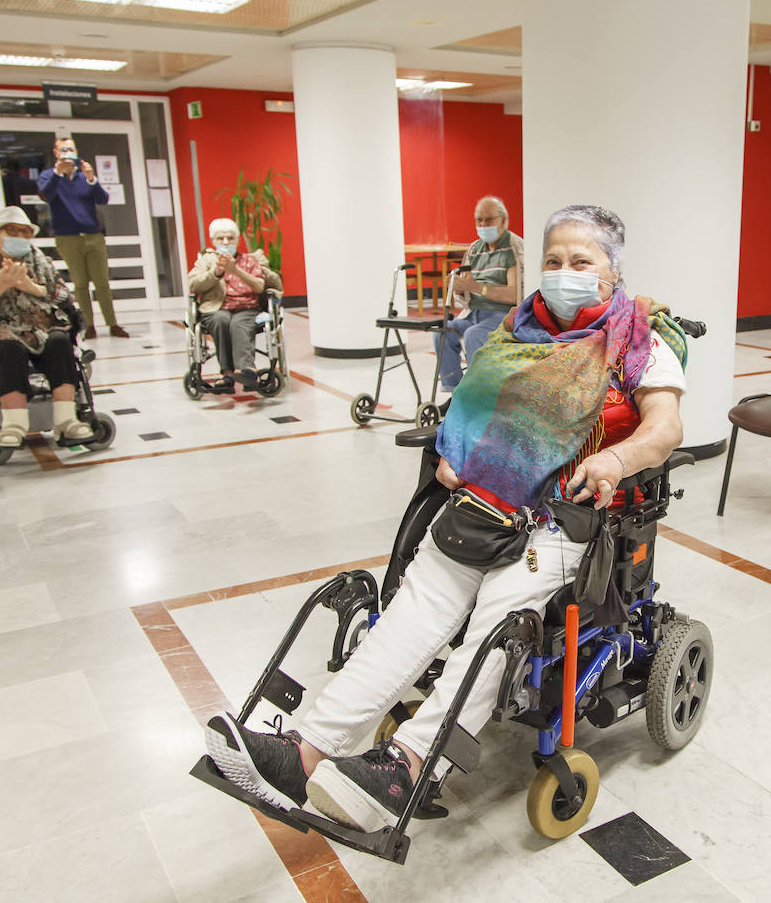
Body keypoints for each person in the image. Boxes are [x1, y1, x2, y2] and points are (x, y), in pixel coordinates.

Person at [203, 204, 688, 832]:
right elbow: (472, 409)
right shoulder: (516, 332)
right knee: (415, 606)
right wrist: (454, 454)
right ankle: (304, 750)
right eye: (552, 260)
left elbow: (665, 428)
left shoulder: (641, 345)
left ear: (611, 272)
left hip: (572, 521)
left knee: (499, 621)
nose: (563, 272)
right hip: (486, 505)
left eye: (580, 261)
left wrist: (617, 458)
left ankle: (409, 763)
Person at [0, 206, 94, 446]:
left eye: (25, 232)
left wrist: (32, 288)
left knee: (60, 342)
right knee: (10, 349)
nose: (20, 237)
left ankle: (66, 420)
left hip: (40, 328)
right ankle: (14, 425)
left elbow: (63, 295)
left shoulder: (39, 259)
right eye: (12, 231)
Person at [38, 136, 127, 339]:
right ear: (56, 153)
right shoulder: (48, 177)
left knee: (102, 282)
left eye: (71, 149)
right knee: (80, 283)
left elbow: (102, 199)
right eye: (64, 150)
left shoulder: (84, 177)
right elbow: (46, 195)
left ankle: (112, 323)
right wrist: (57, 174)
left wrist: (91, 179)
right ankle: (89, 325)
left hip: (93, 236)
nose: (68, 153)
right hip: (67, 238)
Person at [437, 195, 524, 391]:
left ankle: (479, 396)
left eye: (489, 219)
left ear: (503, 220)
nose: (483, 224)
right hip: (472, 314)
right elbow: (465, 294)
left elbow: (515, 295)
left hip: (503, 315)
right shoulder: (474, 249)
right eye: (479, 220)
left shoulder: (513, 247)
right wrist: (457, 287)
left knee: (473, 334)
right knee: (442, 332)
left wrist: (476, 287)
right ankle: (456, 393)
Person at [188, 218, 281, 391]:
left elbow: (260, 286)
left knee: (239, 323)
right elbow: (193, 285)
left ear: (237, 240)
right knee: (221, 321)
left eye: (230, 238)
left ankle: (247, 370)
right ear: (213, 241)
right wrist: (217, 272)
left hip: (247, 307)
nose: (226, 242)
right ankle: (227, 373)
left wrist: (235, 270)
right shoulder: (206, 261)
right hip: (216, 308)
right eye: (220, 239)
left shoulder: (249, 260)